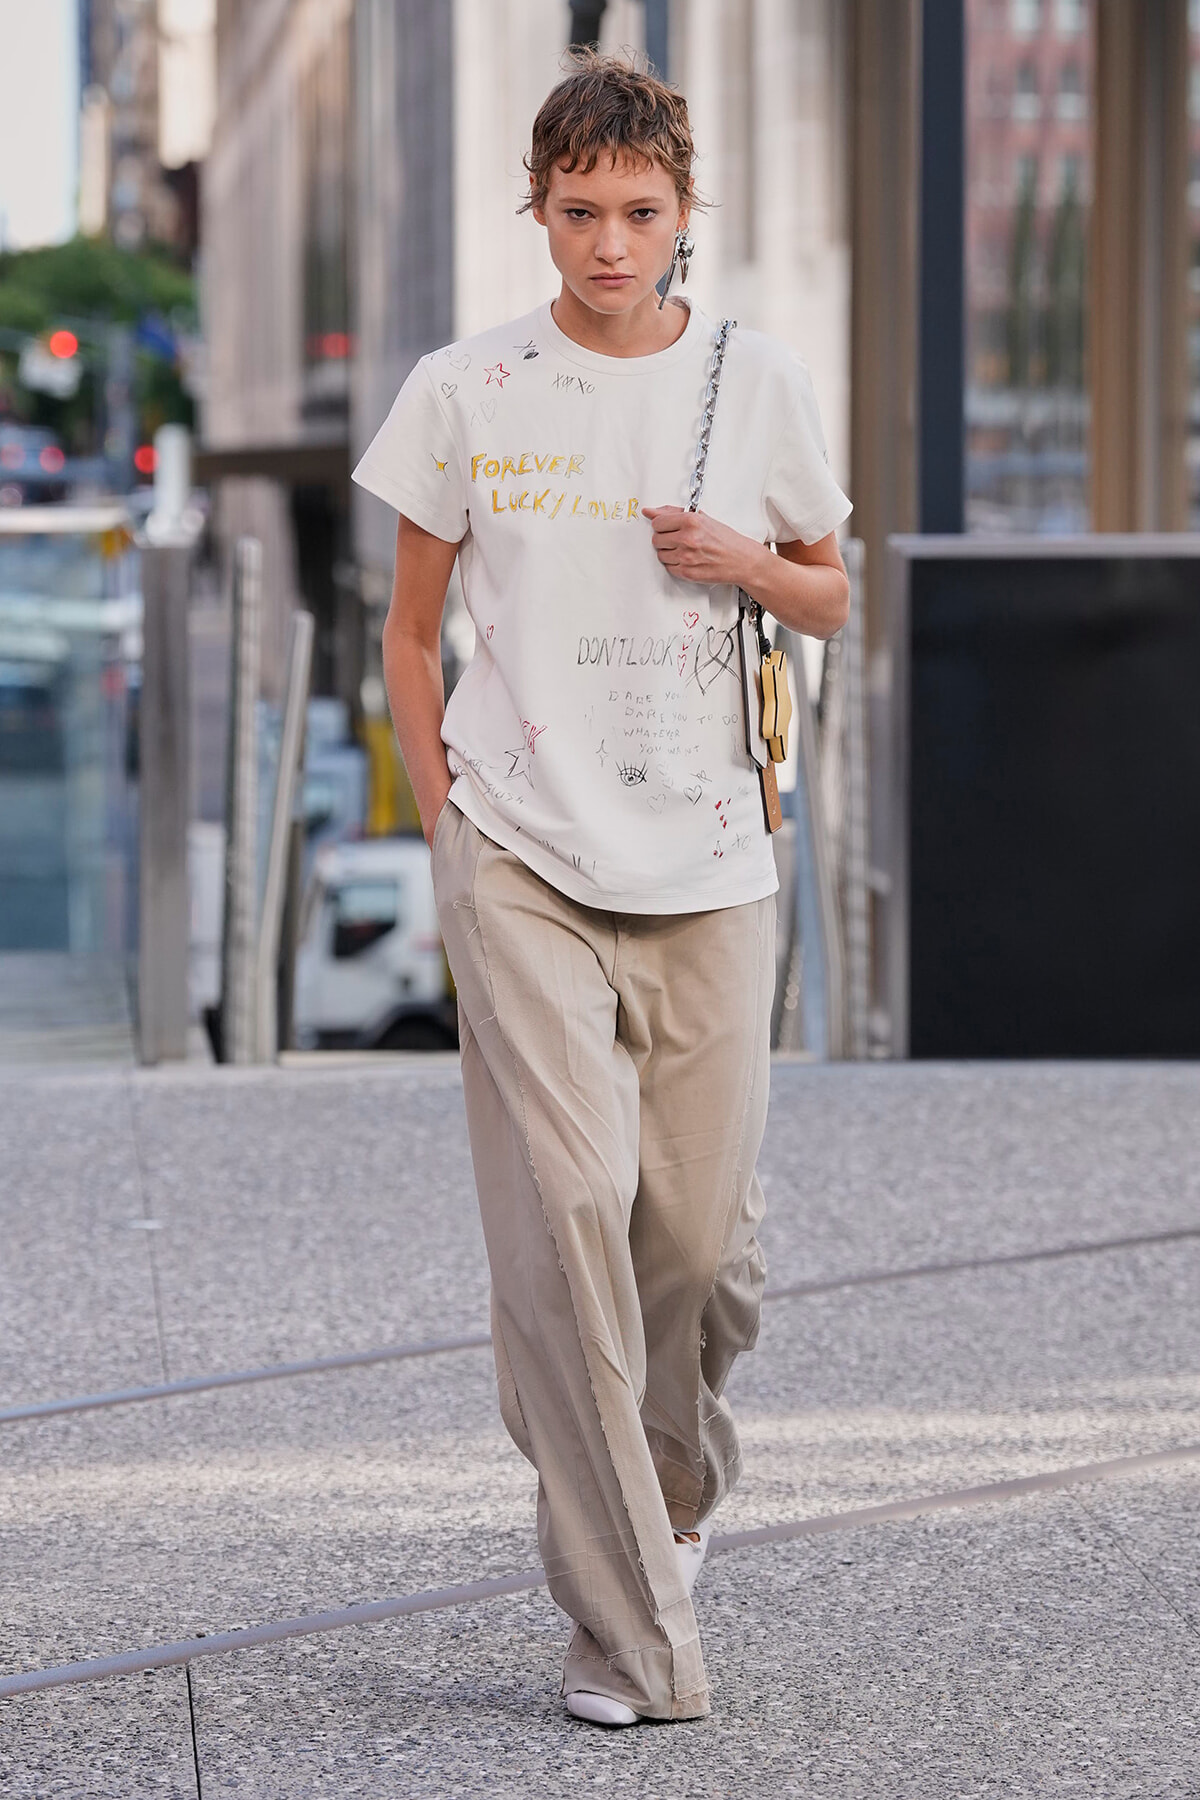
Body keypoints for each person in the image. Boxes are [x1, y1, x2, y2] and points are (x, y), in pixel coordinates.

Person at [354, 49, 851, 1728]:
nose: (609, 245)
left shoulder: (754, 379)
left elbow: (834, 596)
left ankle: (673, 1491)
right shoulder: (465, 389)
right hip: (523, 851)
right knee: (569, 1212)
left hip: (710, 858)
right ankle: (622, 1621)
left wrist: (745, 563)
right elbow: (413, 635)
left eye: (639, 213)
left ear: (683, 213)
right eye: (579, 213)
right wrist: (445, 816)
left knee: (698, 1249)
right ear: (540, 210)